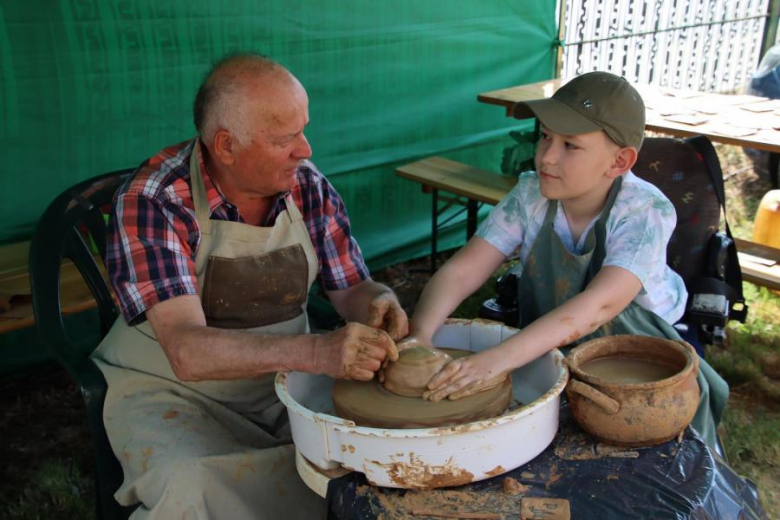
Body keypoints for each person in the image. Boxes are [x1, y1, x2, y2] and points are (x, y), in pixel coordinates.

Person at [91, 53, 407, 519]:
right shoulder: (155, 200)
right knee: (191, 482)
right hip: (172, 392)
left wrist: (378, 301)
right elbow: (186, 351)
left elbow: (351, 287)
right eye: (284, 139)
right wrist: (317, 353)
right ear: (226, 146)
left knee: (371, 459)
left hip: (281, 385)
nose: (305, 150)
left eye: (303, 130)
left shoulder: (306, 186)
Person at [401, 72, 727, 446]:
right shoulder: (530, 194)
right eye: (545, 137)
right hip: (549, 335)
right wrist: (421, 334)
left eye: (570, 145)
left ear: (619, 161)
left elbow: (600, 304)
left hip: (636, 352)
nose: (547, 157)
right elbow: (462, 271)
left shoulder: (644, 211)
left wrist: (496, 359)